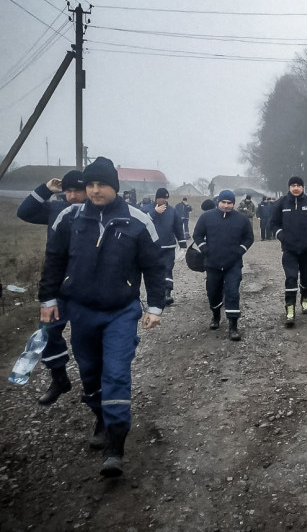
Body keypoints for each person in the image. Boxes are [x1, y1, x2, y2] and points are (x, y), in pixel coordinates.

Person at [38, 157, 165, 478]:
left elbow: (154, 266)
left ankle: (116, 444)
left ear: (115, 187)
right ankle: (100, 418)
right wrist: (49, 298)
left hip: (121, 312)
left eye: (101, 184)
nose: (94, 190)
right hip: (81, 311)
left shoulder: (137, 221)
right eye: (90, 184)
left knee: (116, 373)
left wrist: (155, 307)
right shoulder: (69, 217)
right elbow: (54, 259)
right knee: (91, 372)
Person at [17, 169, 87, 405]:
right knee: (46, 333)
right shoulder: (56, 208)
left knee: (88, 341)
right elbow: (24, 212)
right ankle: (59, 378)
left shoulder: (97, 211)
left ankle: (94, 389)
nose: (73, 196)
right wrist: (46, 190)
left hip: (87, 285)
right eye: (68, 191)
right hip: (56, 285)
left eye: (78, 190)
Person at [192, 190, 254, 341]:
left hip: (233, 263)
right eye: (223, 202)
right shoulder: (206, 217)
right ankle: (215, 316)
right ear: (218, 202)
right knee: (213, 292)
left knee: (232, 292)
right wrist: (205, 249)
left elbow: (249, 238)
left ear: (233, 204)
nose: (226, 206)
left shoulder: (242, 219)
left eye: (229, 203)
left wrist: (240, 251)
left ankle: (233, 325)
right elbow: (197, 235)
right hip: (212, 263)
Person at [271, 177, 307, 326]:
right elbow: (273, 223)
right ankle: (290, 309)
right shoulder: (281, 203)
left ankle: (305, 299)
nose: (296, 188)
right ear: (289, 187)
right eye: (293, 185)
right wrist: (281, 235)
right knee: (291, 279)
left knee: (306, 280)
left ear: (303, 187)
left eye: (299, 185)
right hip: (289, 250)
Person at [143, 188, 187, 306]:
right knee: (153, 271)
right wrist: (154, 212)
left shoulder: (172, 211)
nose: (165, 200)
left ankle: (167, 294)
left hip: (169, 246)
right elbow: (142, 224)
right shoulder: (147, 209)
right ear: (157, 198)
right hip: (152, 247)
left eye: (167, 198)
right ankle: (155, 296)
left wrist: (183, 245)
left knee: (167, 269)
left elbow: (178, 228)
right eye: (163, 198)